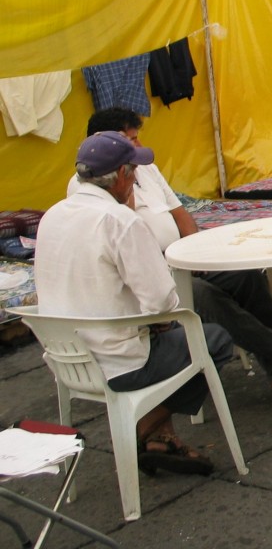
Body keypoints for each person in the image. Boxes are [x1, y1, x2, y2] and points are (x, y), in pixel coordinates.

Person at [74, 108, 272, 397]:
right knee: (205, 297)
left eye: (137, 140)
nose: (137, 148)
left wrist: (195, 253)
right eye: (130, 142)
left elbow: (180, 213)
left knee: (245, 277)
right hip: (145, 277)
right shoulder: (90, 188)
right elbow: (131, 249)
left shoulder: (144, 168)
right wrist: (126, 187)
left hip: (178, 259)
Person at [35, 131, 232, 475]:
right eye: (134, 171)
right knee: (213, 339)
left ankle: (159, 435)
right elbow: (162, 301)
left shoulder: (52, 215)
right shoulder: (121, 221)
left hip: (66, 359)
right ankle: (145, 428)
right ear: (123, 176)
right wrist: (157, 322)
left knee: (170, 332)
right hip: (120, 362)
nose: (137, 179)